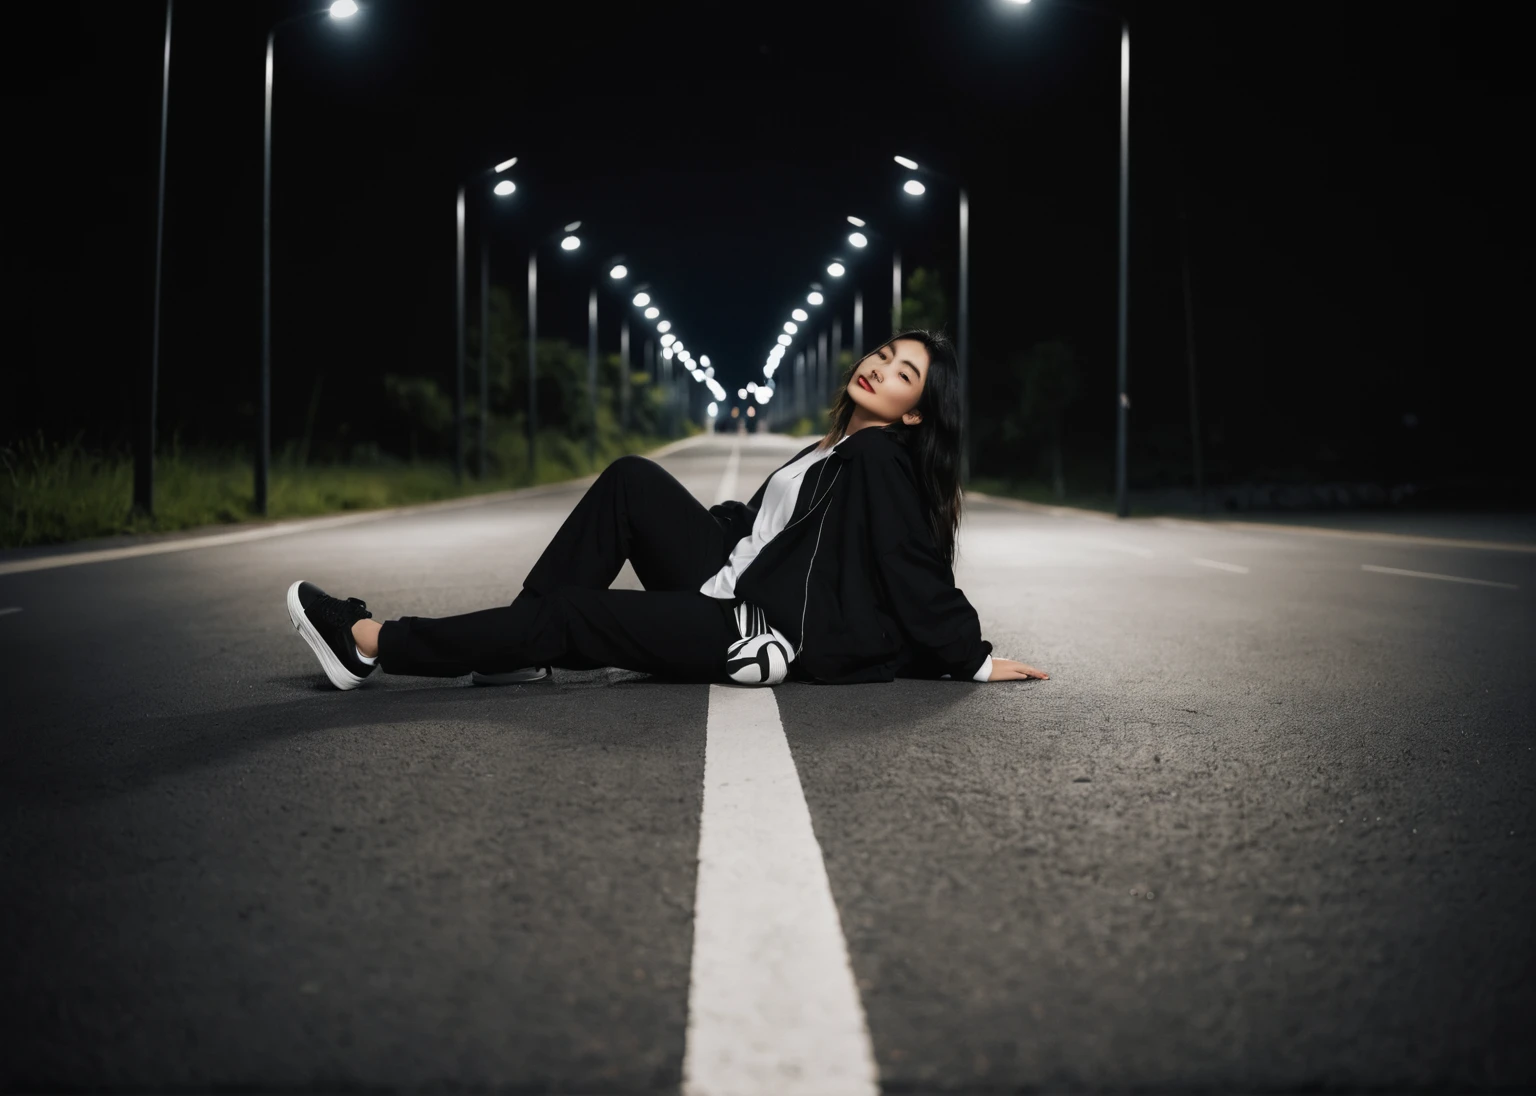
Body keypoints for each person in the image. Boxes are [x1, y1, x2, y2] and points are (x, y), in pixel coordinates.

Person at [286, 330, 1051, 689]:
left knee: (578, 616)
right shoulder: (829, 450)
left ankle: (371, 642)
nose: (879, 368)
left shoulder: (882, 459)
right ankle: (513, 647)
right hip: (730, 578)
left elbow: (907, 561)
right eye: (883, 355)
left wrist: (971, 655)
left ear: (916, 412)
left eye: (903, 373)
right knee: (629, 479)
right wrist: (699, 524)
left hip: (760, 626)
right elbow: (757, 530)